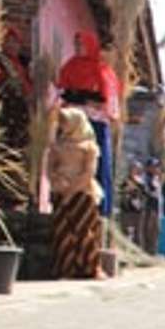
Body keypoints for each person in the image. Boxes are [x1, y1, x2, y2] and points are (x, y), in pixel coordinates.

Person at [56, 30, 119, 217]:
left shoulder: (102, 71)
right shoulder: (69, 66)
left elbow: (107, 102)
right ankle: (67, 202)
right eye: (76, 44)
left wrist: (88, 99)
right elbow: (62, 91)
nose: (78, 47)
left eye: (81, 44)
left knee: (94, 162)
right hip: (73, 124)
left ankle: (97, 207)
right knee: (69, 161)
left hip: (94, 124)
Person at [48, 108, 103, 279]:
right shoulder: (57, 146)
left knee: (85, 232)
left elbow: (89, 172)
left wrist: (72, 190)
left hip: (82, 194)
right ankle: (66, 269)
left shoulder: (89, 147)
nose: (63, 125)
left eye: (66, 121)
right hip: (60, 191)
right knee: (62, 231)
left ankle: (90, 268)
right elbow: (50, 169)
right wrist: (58, 181)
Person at [119, 160, 148, 250]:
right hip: (127, 210)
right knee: (125, 232)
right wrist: (127, 191)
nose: (134, 170)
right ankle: (125, 253)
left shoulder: (141, 182)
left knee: (138, 234)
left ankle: (137, 253)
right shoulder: (126, 181)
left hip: (138, 211)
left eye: (136, 169)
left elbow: (145, 194)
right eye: (133, 168)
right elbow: (122, 192)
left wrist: (137, 190)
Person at [142, 158, 163, 256]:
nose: (156, 169)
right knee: (148, 231)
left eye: (157, 167)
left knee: (156, 231)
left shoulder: (157, 179)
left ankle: (153, 252)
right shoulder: (145, 178)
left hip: (156, 208)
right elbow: (145, 192)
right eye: (154, 166)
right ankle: (146, 252)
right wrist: (152, 194)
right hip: (148, 208)